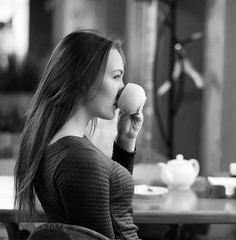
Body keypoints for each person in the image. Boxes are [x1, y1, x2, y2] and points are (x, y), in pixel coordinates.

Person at [14, 30, 143, 240]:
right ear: (84, 79)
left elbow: (113, 207)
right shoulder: (80, 160)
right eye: (116, 77)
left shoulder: (64, 145)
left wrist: (126, 140)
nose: (122, 88)